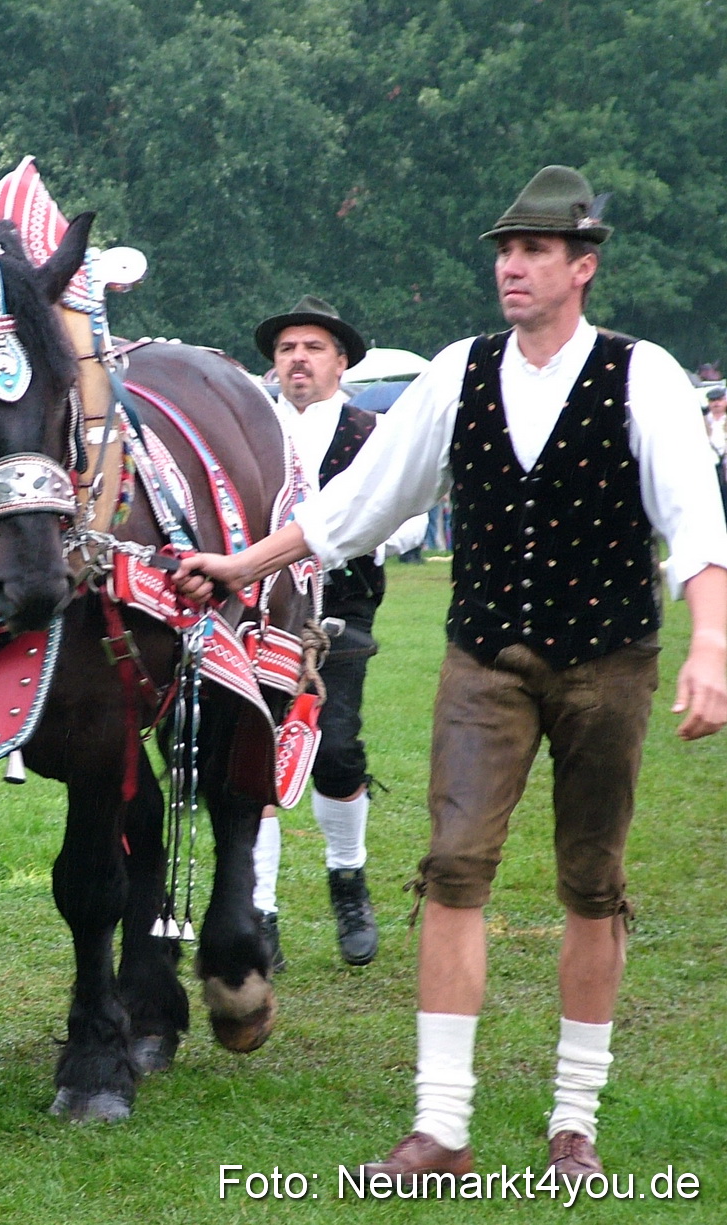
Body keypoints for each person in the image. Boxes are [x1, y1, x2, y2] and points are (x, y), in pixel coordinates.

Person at [175, 165, 727, 1179]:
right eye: (503, 252)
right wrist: (240, 566)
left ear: (582, 266)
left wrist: (710, 643)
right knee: (454, 869)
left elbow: (695, 520)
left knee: (590, 885)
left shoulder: (640, 374)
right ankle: (440, 1127)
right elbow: (360, 505)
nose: (510, 267)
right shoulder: (456, 371)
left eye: (532, 252)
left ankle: (574, 1122)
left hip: (609, 659)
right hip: (484, 658)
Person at [250, 295, 425, 970]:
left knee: (336, 750)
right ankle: (259, 910)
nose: (298, 358)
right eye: (287, 347)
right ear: (274, 361)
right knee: (255, 753)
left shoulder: (372, 431)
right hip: (256, 610)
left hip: (340, 609)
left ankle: (346, 879)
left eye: (313, 347)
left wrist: (352, 534)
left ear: (340, 361)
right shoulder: (248, 426)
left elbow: (409, 517)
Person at [704, 385, 727, 518]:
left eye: (719, 400)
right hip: (709, 465)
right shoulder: (701, 421)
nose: (716, 403)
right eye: (713, 401)